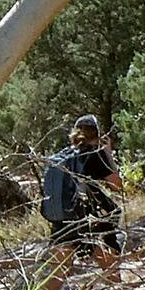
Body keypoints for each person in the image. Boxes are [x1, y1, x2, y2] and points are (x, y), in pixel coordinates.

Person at [42, 114, 125, 273]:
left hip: (61, 219)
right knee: (107, 244)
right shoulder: (93, 155)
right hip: (84, 219)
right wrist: (108, 153)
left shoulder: (64, 156)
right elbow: (117, 185)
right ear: (98, 134)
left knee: (58, 269)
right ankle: (120, 288)